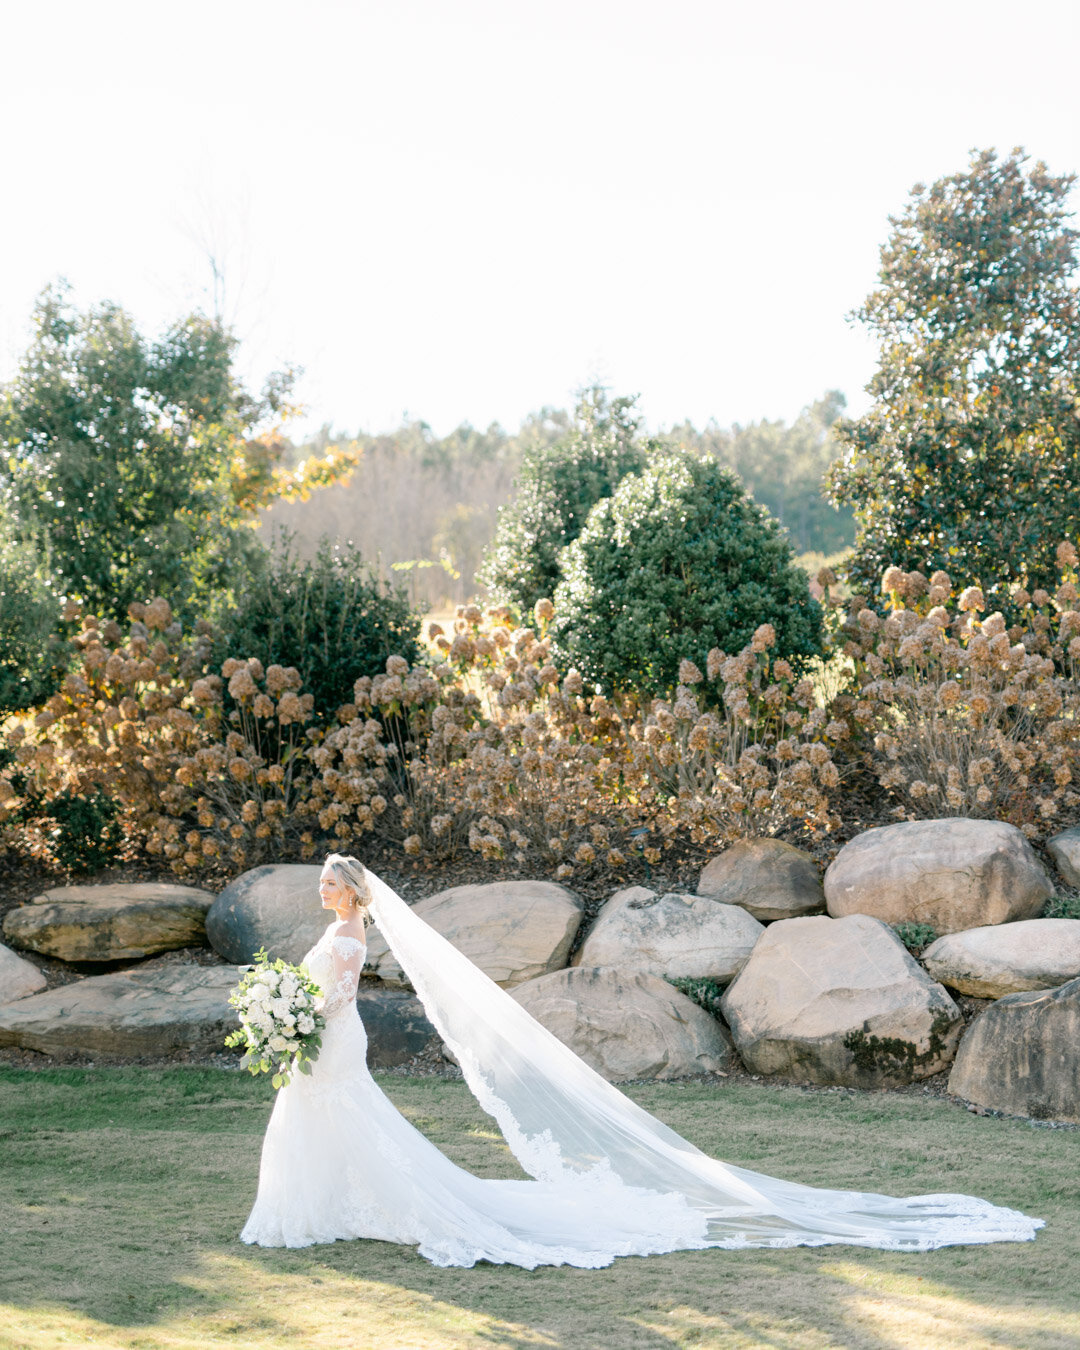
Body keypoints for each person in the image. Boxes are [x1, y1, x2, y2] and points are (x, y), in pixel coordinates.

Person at [240, 853, 1043, 1268]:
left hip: (330, 1039)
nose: (320, 893)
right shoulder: (340, 931)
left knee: (343, 1119)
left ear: (351, 895)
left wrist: (290, 1019)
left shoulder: (347, 939)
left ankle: (344, 1211)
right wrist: (284, 1019)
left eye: (326, 885)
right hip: (319, 1044)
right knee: (329, 1122)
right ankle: (325, 1211)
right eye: (320, 885)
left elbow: (336, 1001)